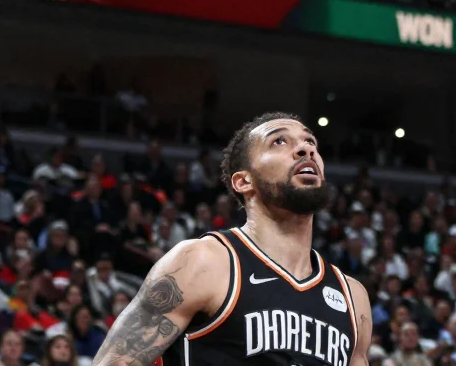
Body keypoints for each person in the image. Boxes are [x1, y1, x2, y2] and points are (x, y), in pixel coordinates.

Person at [89, 113, 372, 366]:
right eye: (279, 142)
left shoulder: (353, 297)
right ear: (244, 181)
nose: (306, 149)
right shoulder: (201, 262)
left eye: (310, 142)